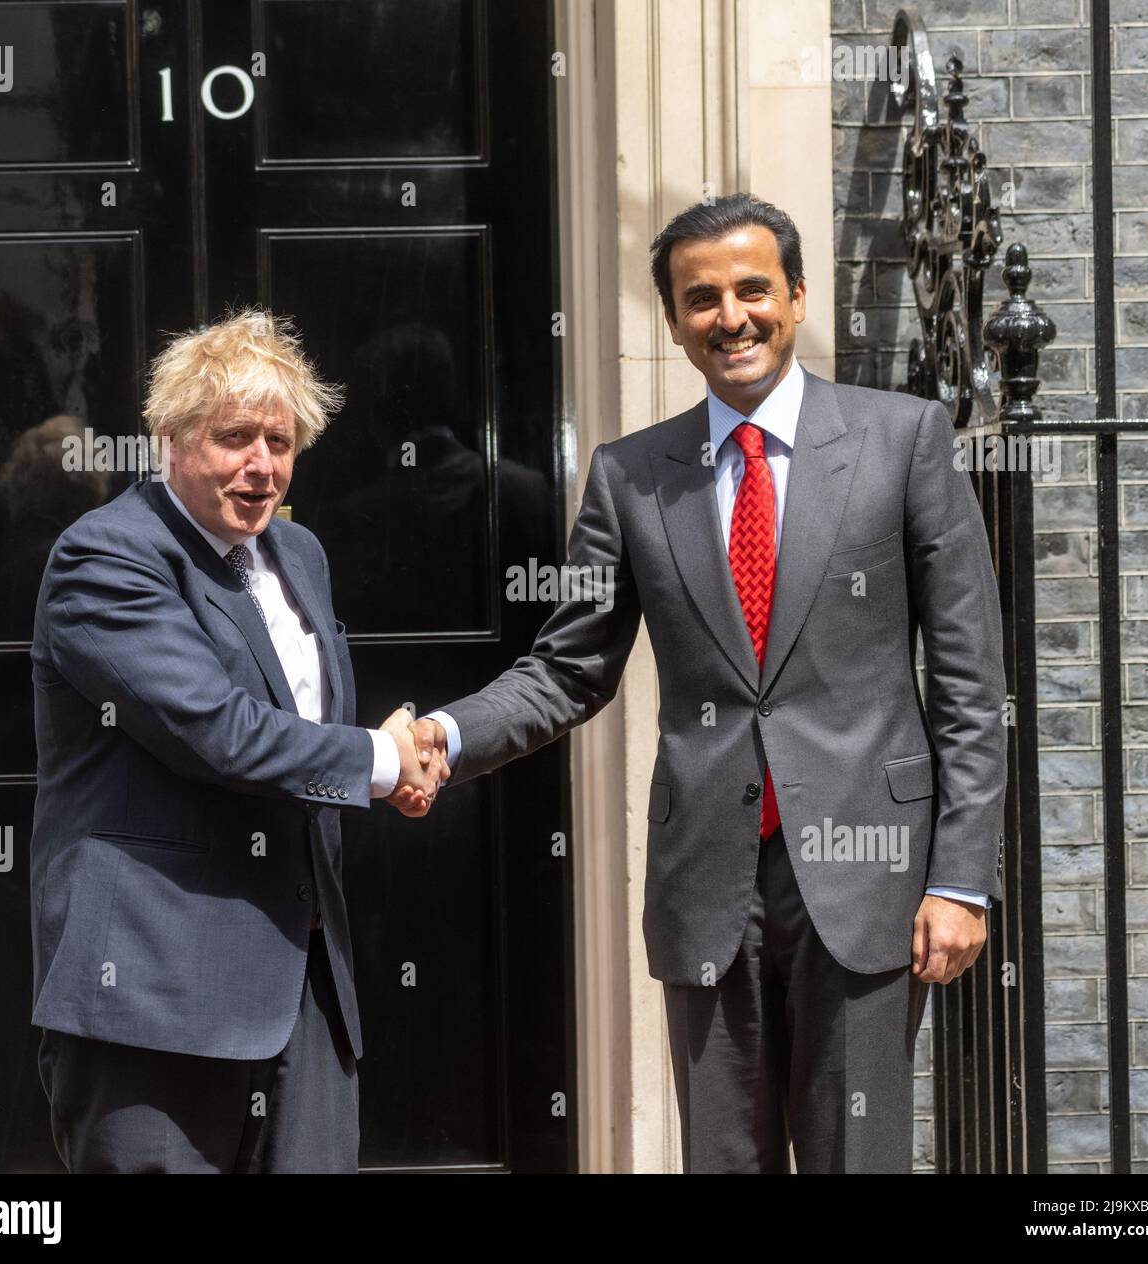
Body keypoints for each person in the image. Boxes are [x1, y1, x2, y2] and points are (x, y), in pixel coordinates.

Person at [402, 193, 1007, 1173]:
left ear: (798, 296)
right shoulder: (629, 477)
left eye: (752, 289)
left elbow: (971, 684)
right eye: (701, 298)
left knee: (862, 1157)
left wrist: (956, 877)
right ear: (676, 322)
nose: (731, 316)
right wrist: (444, 735)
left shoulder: (904, 440)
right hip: (709, 882)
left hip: (868, 872)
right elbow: (568, 666)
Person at [28, 309, 446, 1173]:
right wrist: (375, 761)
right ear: (172, 438)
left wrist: (382, 762)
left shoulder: (300, 551)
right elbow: (217, 731)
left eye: (280, 442)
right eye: (234, 438)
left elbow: (311, 730)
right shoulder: (105, 558)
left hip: (304, 993)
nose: (261, 466)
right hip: (155, 996)